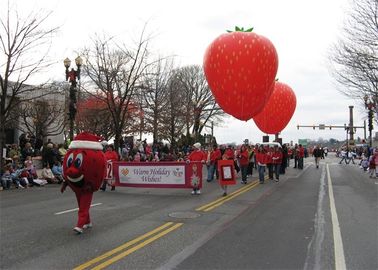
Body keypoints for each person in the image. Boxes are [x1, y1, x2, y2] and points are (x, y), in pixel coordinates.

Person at [61, 132, 106, 234]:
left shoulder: (95, 155)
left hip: (87, 187)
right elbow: (66, 168)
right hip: (76, 185)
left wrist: (93, 183)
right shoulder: (72, 152)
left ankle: (80, 225)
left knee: (83, 206)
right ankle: (88, 221)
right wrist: (65, 182)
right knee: (82, 204)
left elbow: (97, 170)